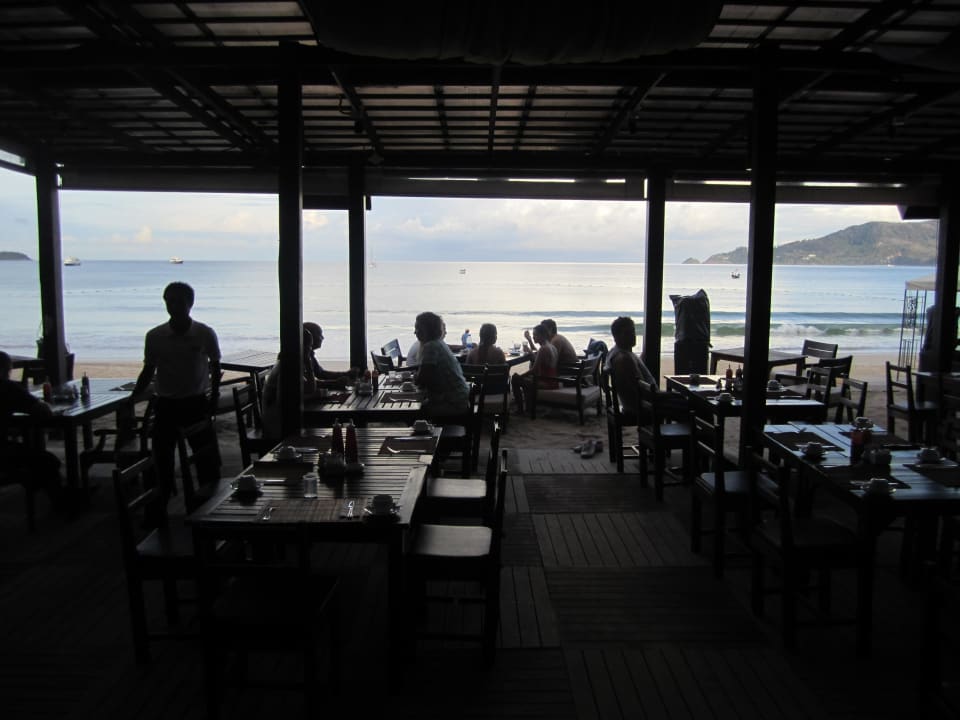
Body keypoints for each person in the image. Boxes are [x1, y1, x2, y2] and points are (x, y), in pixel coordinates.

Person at [132, 282, 221, 494]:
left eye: (179, 301)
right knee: (161, 459)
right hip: (166, 405)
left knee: (206, 458)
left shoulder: (204, 333)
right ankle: (160, 505)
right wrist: (134, 397)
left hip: (196, 403)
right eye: (170, 301)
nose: (174, 306)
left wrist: (214, 397)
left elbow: (216, 367)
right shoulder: (155, 336)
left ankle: (209, 501)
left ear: (190, 304)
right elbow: (148, 370)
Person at [0, 350, 63, 511]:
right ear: (6, 370)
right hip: (3, 452)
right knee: (48, 461)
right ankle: (61, 503)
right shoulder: (7, 388)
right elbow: (43, 411)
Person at [413, 311, 470, 418]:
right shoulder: (439, 343)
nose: (415, 332)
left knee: (415, 412)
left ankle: (428, 434)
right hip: (460, 398)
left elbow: (422, 380)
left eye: (418, 328)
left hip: (452, 404)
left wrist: (415, 376)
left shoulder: (430, 347)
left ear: (427, 330)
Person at [604, 316, 659, 420]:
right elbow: (639, 390)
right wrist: (660, 398)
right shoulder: (624, 359)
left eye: (633, 331)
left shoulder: (616, 352)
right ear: (616, 337)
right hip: (643, 407)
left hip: (637, 404)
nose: (633, 336)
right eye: (627, 333)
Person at [511, 322, 558, 413]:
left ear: (542, 335)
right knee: (525, 379)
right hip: (553, 380)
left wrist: (520, 376)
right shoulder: (551, 346)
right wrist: (530, 351)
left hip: (546, 382)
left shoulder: (543, 348)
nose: (533, 337)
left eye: (535, 335)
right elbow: (539, 359)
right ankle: (528, 407)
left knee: (515, 379)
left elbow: (534, 370)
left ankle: (520, 409)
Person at [302, 322, 355, 388]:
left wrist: (346, 374)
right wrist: (335, 383)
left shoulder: (309, 354)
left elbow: (320, 373)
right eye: (319, 334)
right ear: (310, 337)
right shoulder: (302, 357)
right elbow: (306, 384)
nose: (322, 338)